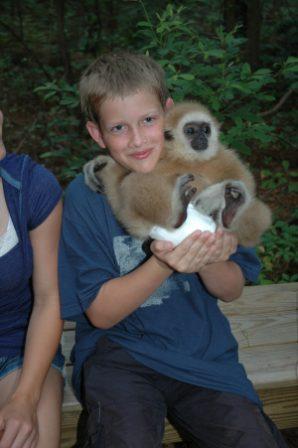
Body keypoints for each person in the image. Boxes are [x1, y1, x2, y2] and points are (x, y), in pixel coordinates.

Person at [59, 52, 288, 447]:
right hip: (119, 356)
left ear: (168, 113)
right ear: (97, 134)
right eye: (119, 128)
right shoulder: (85, 197)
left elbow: (231, 288)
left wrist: (210, 257)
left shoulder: (209, 173)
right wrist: (165, 261)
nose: (137, 139)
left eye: (148, 120)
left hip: (202, 356)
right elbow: (100, 312)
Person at [0, 110, 64, 448]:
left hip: (20, 345)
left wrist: (24, 399)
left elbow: (48, 299)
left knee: (24, 436)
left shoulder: (31, 188)